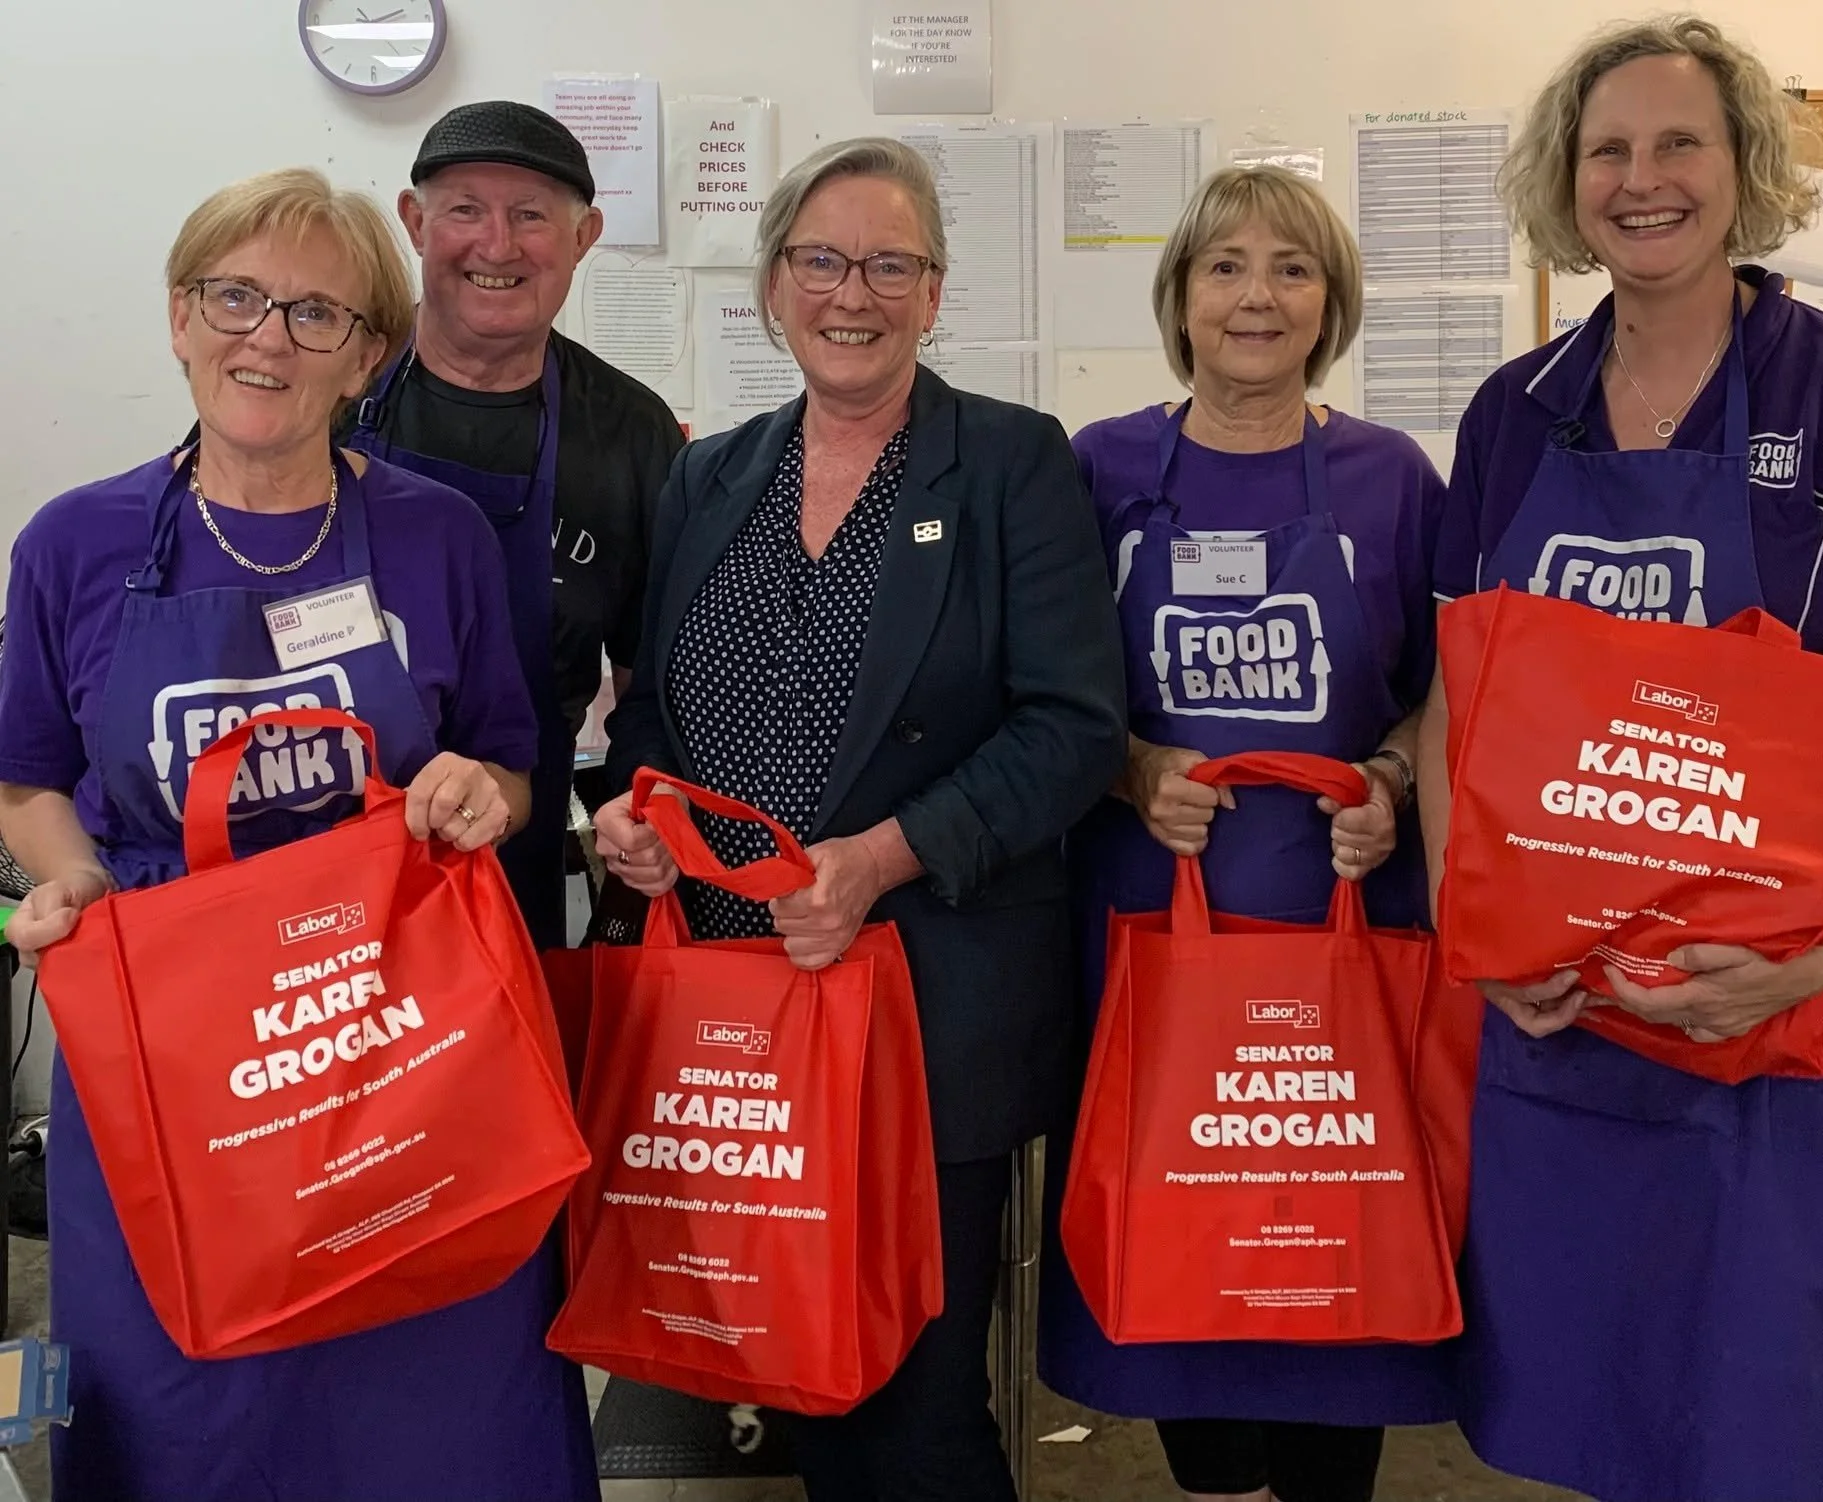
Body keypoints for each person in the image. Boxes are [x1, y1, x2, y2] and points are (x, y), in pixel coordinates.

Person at [1419, 17, 1823, 1502]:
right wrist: (1478, 937)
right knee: (1608, 1407)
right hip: (1575, 1017)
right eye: (1610, 149)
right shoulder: (1511, 415)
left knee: (1784, 1423)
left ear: (1743, 170)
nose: (1642, 178)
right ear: (1567, 179)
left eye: (1680, 144)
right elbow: (1453, 719)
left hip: (1794, 1029)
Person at [0, 169, 598, 1500]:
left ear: (367, 355)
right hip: (174, 1047)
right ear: (178, 317)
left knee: (442, 1373)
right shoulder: (74, 544)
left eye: (315, 313)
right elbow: (26, 777)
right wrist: (76, 878)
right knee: (186, 1394)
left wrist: (475, 798)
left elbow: (510, 759)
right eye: (235, 296)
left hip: (399, 1037)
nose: (265, 335)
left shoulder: (435, 534)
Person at [594, 136, 1126, 1501]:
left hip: (919, 1013)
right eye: (823, 259)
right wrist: (638, 815)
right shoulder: (710, 476)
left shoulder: (1008, 463)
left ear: (935, 294)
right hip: (739, 1014)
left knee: (915, 1402)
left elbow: (1072, 728)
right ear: (775, 286)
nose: (855, 291)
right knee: (792, 1372)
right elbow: (656, 712)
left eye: (892, 263)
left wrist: (882, 856)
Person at [1034, 165, 1448, 1502]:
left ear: (1330, 302)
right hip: (1155, 934)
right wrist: (1133, 766)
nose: (1255, 295)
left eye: (1290, 267)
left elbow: (1452, 691)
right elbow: (1040, 685)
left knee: (1342, 1237)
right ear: (1181, 297)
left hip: (1344, 930)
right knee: (1183, 1241)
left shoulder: (1392, 477)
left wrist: (1388, 774)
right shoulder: (1097, 466)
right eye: (1225, 265)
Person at [348, 100, 684, 950]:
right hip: (322, 845)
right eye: (465, 210)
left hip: (516, 843)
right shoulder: (332, 389)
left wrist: (636, 807)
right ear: (415, 223)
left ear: (584, 237)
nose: (496, 246)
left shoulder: (631, 430)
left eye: (531, 215)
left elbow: (653, 676)